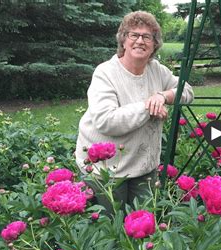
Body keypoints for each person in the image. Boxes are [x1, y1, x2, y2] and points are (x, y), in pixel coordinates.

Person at [75, 11, 194, 212]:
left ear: (155, 44)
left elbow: (187, 91)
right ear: (123, 41)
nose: (140, 41)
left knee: (144, 229)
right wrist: (149, 106)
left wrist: (163, 96)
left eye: (147, 37)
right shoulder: (106, 73)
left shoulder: (156, 69)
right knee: (111, 229)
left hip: (144, 167)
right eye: (134, 35)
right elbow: (107, 121)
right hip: (105, 170)